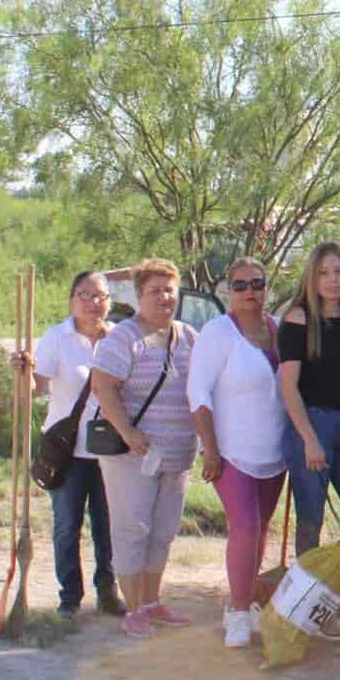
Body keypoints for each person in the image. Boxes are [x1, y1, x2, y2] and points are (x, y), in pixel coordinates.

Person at [89, 257, 200, 639]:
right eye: (155, 291)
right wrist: (129, 431)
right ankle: (134, 609)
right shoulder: (123, 338)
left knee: (163, 531)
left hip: (177, 455)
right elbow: (103, 387)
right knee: (132, 530)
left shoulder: (188, 337)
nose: (164, 297)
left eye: (170, 289)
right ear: (139, 296)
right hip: (131, 456)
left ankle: (152, 602)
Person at [278, 242, 340, 642]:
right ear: (312, 277)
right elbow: (288, 387)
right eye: (324, 273)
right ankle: (308, 609)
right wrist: (308, 440)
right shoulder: (298, 319)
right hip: (311, 426)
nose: (332, 280)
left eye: (339, 271)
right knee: (311, 523)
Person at [187, 257, 285, 649]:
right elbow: (197, 393)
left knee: (260, 530)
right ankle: (240, 611)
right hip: (231, 453)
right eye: (240, 285)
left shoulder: (277, 329)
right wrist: (210, 449)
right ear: (229, 290)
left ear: (267, 286)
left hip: (274, 452)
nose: (249, 292)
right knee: (244, 527)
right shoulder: (217, 332)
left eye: (256, 283)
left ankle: (244, 602)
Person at [16, 270, 125, 618]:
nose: (94, 303)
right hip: (68, 451)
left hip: (109, 451)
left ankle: (108, 590)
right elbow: (36, 388)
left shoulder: (120, 338)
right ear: (71, 300)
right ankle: (70, 596)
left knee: (108, 526)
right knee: (67, 526)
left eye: (101, 296)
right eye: (86, 295)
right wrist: (23, 374)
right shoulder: (57, 338)